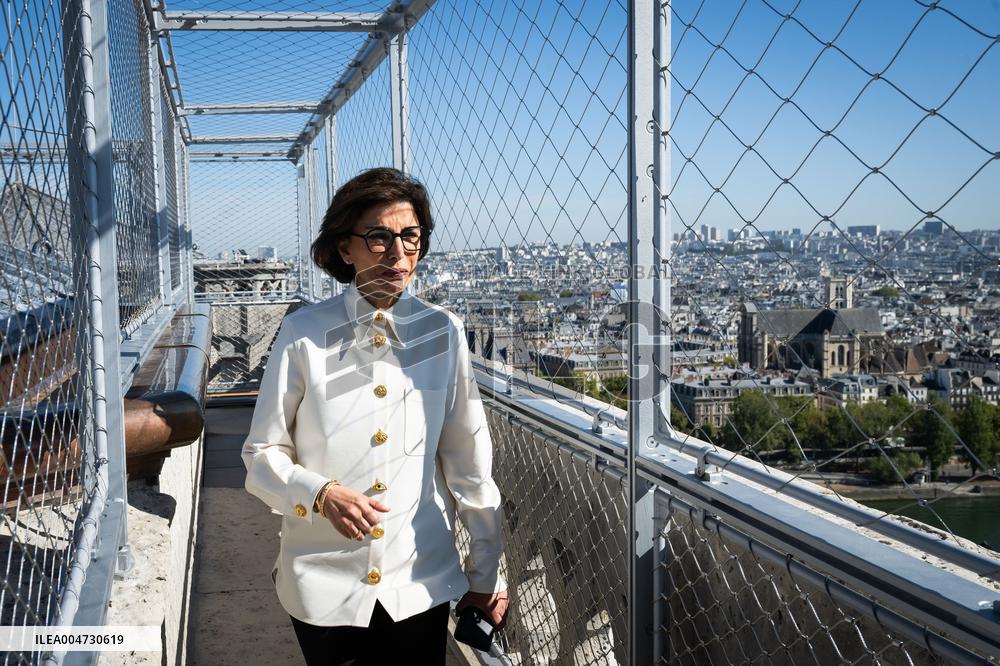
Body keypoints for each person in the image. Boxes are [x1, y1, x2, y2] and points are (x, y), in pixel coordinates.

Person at [241, 167, 509, 665]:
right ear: (346, 249)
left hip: (418, 579)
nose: (399, 254)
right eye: (379, 237)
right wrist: (319, 495)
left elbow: (468, 459)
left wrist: (488, 572)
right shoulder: (303, 334)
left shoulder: (443, 332)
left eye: (411, 237)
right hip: (323, 582)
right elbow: (261, 455)